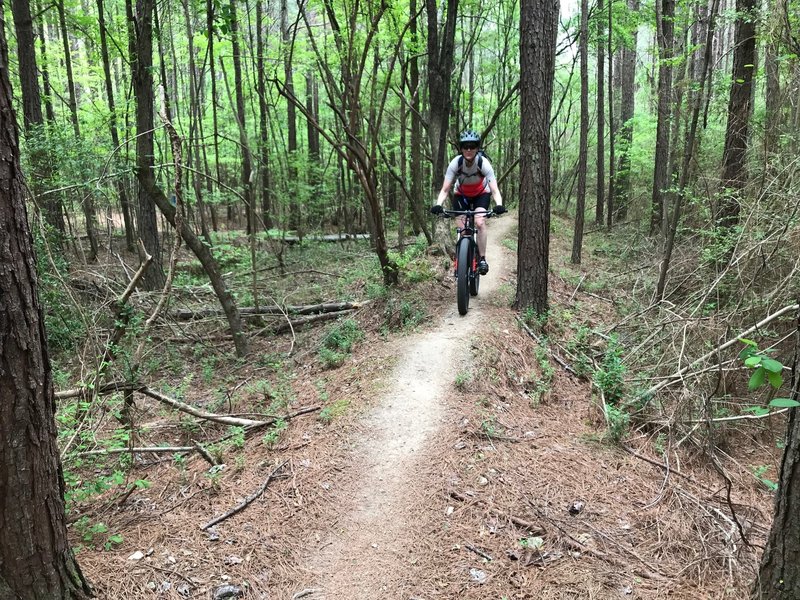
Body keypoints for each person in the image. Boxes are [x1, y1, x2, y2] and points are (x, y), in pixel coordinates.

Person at [430, 130, 506, 274]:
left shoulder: (483, 163)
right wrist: (438, 204)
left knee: (479, 222)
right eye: (466, 146)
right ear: (461, 149)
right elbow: (445, 189)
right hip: (462, 195)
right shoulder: (455, 163)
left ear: (477, 148)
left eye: (472, 146)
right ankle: (462, 259)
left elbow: (495, 190)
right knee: (463, 230)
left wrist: (499, 205)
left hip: (481, 194)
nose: (469, 149)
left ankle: (482, 258)